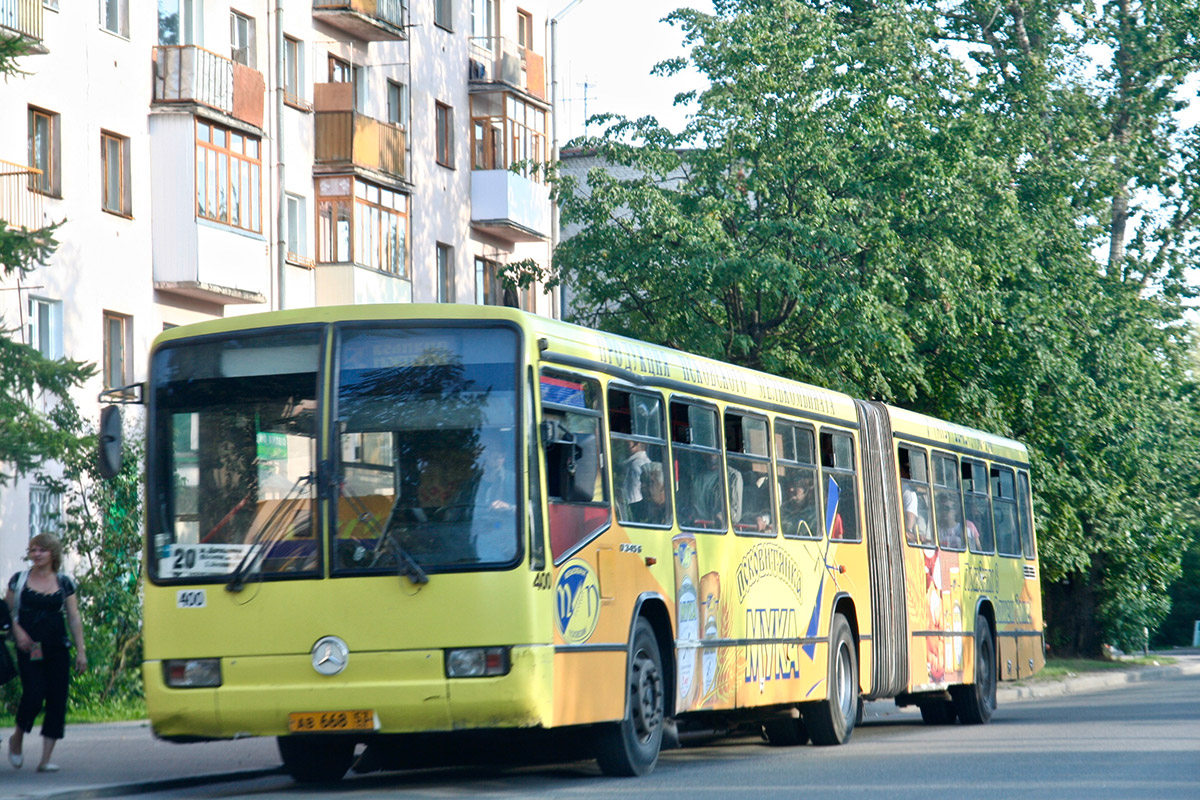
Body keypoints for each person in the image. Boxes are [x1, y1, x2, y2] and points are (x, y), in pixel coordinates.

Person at [6, 533, 87, 773]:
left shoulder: (64, 582)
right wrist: (18, 633)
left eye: (41, 550)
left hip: (57, 647)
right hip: (30, 647)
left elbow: (73, 617)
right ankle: (17, 737)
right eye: (33, 550)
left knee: (56, 699)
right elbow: (7, 613)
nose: (36, 554)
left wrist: (81, 651)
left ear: (53, 553)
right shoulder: (19, 580)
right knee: (34, 692)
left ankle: (45, 759)